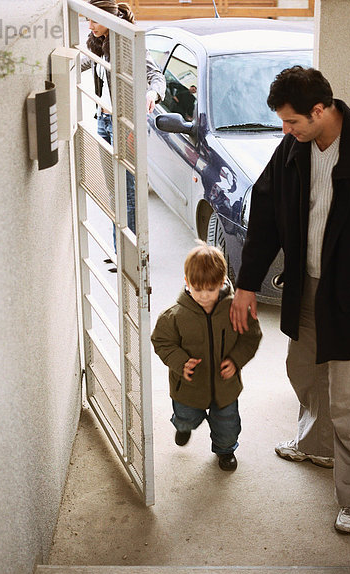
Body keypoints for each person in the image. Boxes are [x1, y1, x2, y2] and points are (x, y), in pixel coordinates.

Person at [230, 67, 350, 533]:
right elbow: (265, 212)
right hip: (307, 289)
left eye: (291, 122)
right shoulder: (294, 148)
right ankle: (317, 446)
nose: (285, 132)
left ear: (320, 110)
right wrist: (247, 283)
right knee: (303, 370)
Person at [151, 243, 262, 472]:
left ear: (222, 283)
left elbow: (251, 337)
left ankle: (226, 450)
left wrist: (235, 360)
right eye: (197, 289)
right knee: (186, 415)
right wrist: (181, 362)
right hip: (189, 384)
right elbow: (161, 342)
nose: (204, 296)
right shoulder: (175, 315)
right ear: (187, 282)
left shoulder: (235, 310)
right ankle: (183, 426)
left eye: (210, 289)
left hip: (225, 385)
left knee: (228, 423)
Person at [82, 0, 166, 271]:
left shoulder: (129, 44)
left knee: (127, 191)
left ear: (108, 18)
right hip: (104, 123)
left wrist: (152, 93)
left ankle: (130, 256)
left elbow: (156, 76)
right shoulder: (97, 43)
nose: (89, 24)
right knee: (112, 190)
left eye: (94, 19)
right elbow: (81, 62)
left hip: (125, 126)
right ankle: (122, 248)